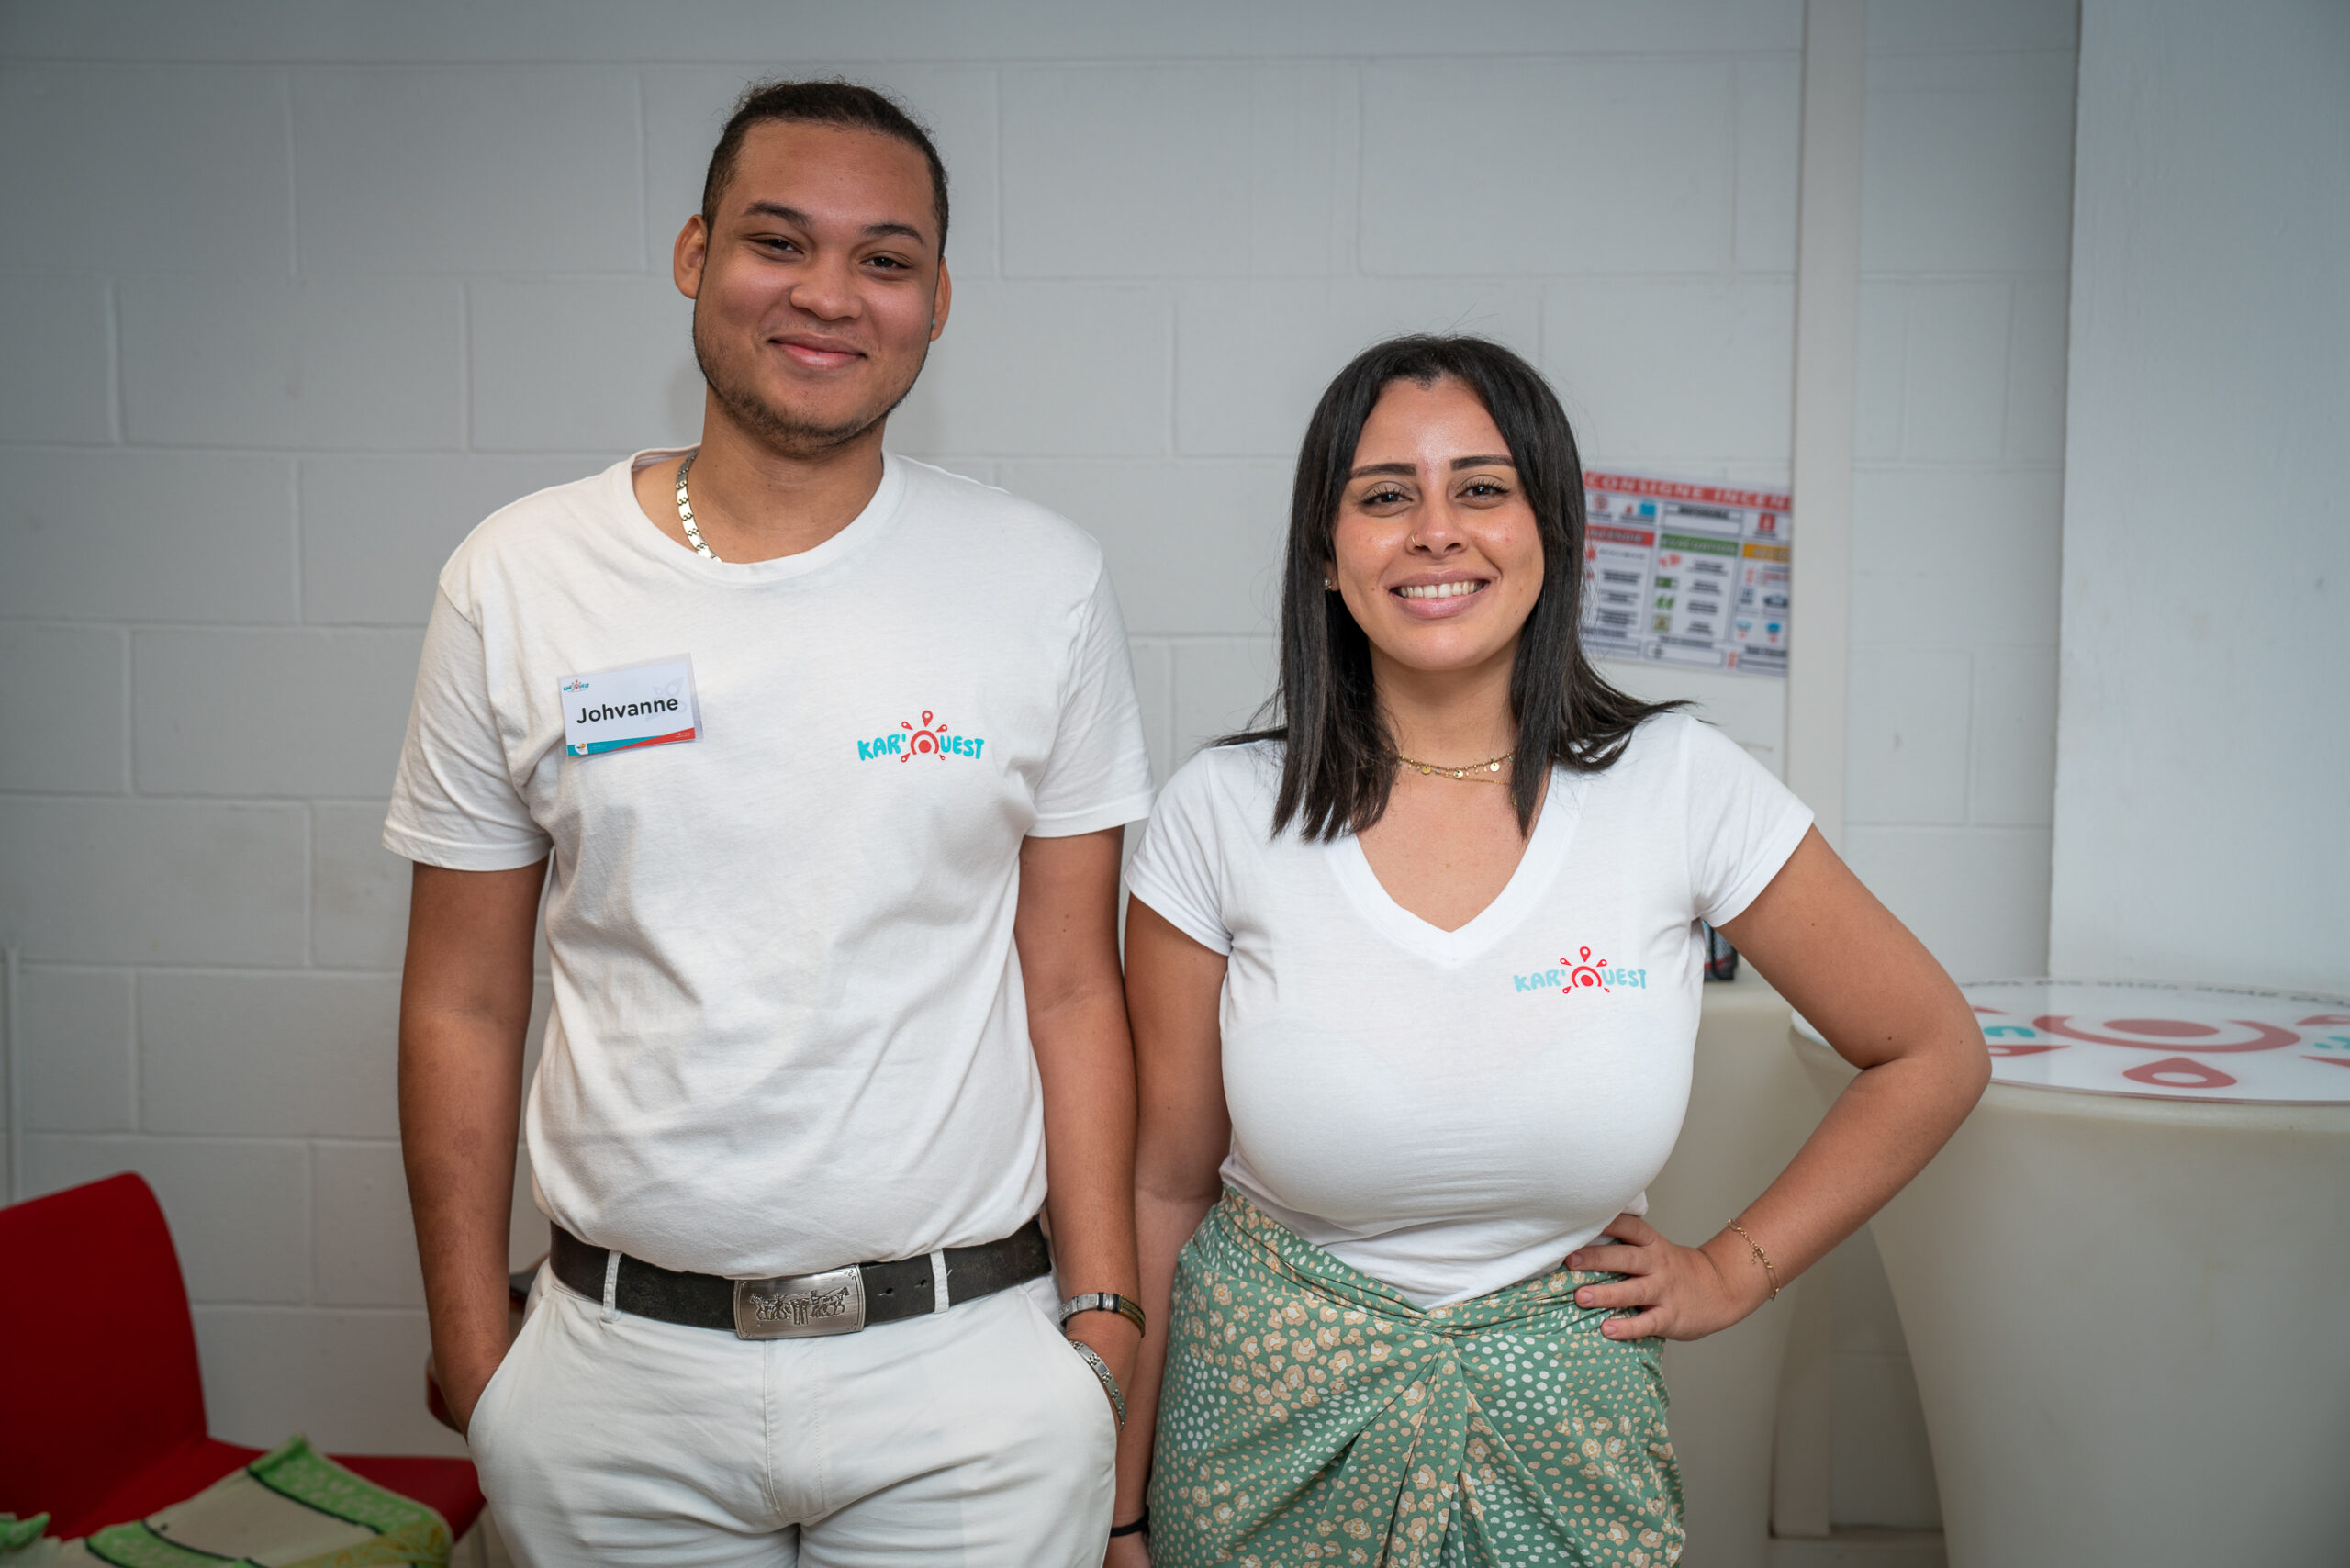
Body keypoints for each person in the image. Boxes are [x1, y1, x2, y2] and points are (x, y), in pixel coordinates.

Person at [388, 80, 1151, 1566]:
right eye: (778, 241)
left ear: (938, 300)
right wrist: (479, 1358)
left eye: (885, 259)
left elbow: (1071, 983)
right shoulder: (520, 577)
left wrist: (1104, 1318)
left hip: (969, 1381)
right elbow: (462, 999)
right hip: (613, 1386)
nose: (828, 294)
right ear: (695, 255)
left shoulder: (1041, 581)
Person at [1108, 336, 1988, 1566]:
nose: (1435, 531)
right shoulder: (1221, 812)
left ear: (1555, 531)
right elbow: (1162, 1188)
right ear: (1326, 553)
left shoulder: (1681, 785)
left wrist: (1735, 1271)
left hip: (1568, 1442)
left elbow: (1931, 1050)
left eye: (1482, 487)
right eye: (1384, 496)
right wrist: (1122, 1508)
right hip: (1257, 1438)